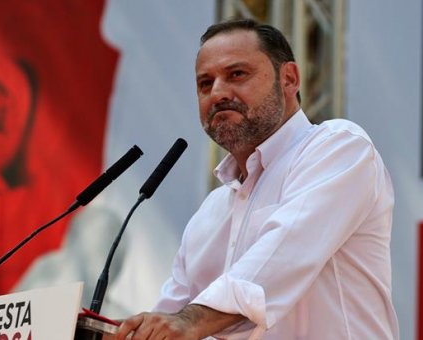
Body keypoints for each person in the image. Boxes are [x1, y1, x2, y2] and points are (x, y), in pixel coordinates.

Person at [114, 19, 399, 339]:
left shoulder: (338, 147)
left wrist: (189, 322)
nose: (218, 92)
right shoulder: (209, 215)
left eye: (237, 74)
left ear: (289, 79)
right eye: (205, 83)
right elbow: (169, 319)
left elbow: (283, 257)